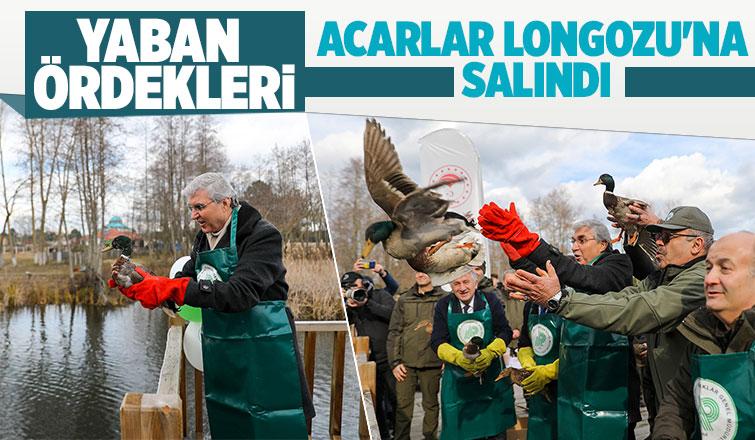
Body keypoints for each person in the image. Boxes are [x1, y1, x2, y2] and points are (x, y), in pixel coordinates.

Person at [112, 172, 314, 439]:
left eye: (199, 207)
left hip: (265, 348)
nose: (194, 215)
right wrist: (144, 283)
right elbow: (185, 282)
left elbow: (241, 294)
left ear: (225, 202)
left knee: (275, 422)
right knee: (231, 418)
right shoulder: (202, 238)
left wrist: (174, 288)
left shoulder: (262, 235)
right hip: (225, 347)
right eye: (191, 209)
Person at [505, 206, 714, 434]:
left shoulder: (700, 279)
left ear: (696, 245)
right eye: (656, 236)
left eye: (667, 236)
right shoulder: (661, 277)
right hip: (667, 405)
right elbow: (621, 298)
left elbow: (636, 309)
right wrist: (524, 261)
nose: (659, 242)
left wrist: (558, 298)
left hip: (697, 411)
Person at [479, 203, 636, 439]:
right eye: (572, 240)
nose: (574, 246)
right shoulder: (575, 275)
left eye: (582, 240)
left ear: (603, 244)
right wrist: (520, 258)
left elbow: (585, 278)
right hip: (573, 386)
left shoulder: (618, 265)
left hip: (612, 389)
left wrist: (531, 243)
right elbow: (554, 274)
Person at [654, 231, 755, 439]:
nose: (709, 279)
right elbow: (678, 404)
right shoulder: (701, 334)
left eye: (725, 269)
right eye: (708, 268)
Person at [430, 269, 515, 439]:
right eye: (457, 283)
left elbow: (505, 331)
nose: (462, 288)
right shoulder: (443, 305)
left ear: (475, 283)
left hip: (491, 377)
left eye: (466, 282)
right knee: (463, 432)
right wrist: (458, 357)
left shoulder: (490, 300)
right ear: (451, 286)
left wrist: (491, 352)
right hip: (457, 379)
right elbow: (437, 340)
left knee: (495, 429)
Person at [387, 271, 446, 440]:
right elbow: (394, 332)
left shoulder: (444, 298)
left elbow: (449, 330)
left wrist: (446, 358)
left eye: (425, 271)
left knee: (431, 405)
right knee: (403, 407)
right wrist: (395, 362)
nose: (420, 274)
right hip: (405, 364)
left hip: (433, 362)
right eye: (418, 271)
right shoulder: (405, 299)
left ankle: (430, 437)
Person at [342, 269, 397, 440]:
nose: (355, 290)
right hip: (370, 362)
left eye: (356, 285)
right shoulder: (351, 303)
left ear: (364, 283)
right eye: (349, 287)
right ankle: (383, 435)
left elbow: (393, 315)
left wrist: (367, 303)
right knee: (374, 403)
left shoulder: (380, 295)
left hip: (391, 358)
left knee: (397, 399)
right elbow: (346, 321)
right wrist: (347, 305)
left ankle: (400, 432)